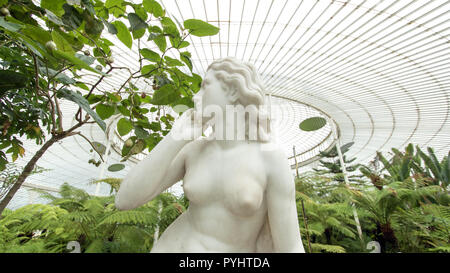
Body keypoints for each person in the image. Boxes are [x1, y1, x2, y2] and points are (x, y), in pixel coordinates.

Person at [115, 57, 305, 253]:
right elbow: (125, 200)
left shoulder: (270, 159)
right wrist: (176, 137)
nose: (197, 96)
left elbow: (290, 247)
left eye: (205, 86)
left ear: (232, 91)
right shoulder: (193, 150)